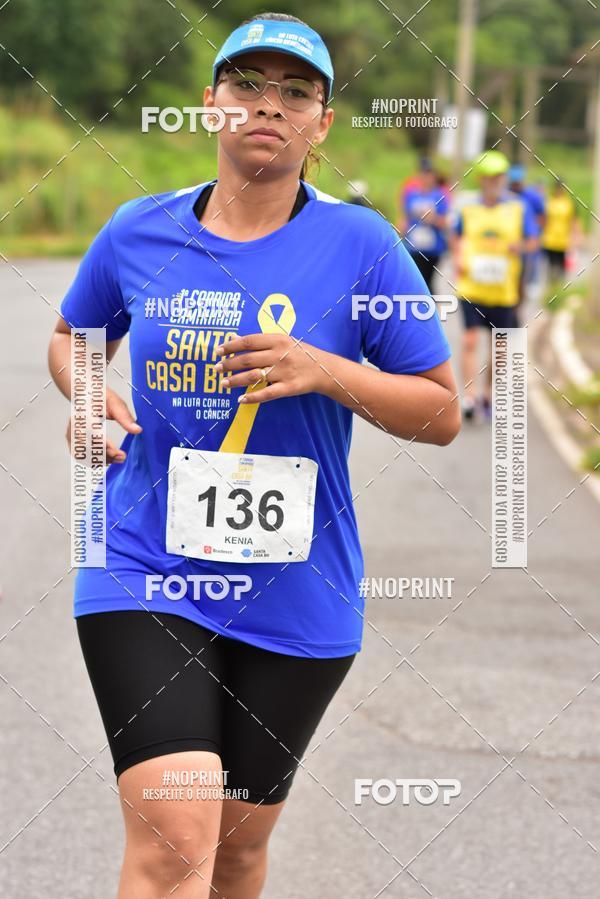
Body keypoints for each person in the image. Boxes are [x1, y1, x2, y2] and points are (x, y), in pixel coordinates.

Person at [48, 12, 461, 898]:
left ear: (322, 122)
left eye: (295, 91)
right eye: (247, 85)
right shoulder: (137, 230)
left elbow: (439, 412)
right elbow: (72, 339)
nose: (268, 105)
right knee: (175, 835)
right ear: (211, 107)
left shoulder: (365, 247)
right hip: (143, 564)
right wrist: (86, 393)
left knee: (234, 851)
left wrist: (324, 369)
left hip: (297, 586)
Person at [450, 150, 538, 422]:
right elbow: (456, 235)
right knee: (469, 339)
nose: (492, 183)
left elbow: (534, 241)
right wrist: (458, 257)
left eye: (497, 178)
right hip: (472, 287)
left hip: (504, 290)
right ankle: (470, 397)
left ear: (503, 179)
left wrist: (520, 247)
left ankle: (488, 392)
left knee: (498, 347)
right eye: (487, 178)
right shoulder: (468, 207)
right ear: (481, 180)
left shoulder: (518, 208)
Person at [398, 157, 449, 290]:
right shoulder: (411, 195)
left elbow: (445, 222)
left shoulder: (440, 196)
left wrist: (433, 219)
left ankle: (431, 308)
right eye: (423, 173)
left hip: (433, 248)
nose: (425, 177)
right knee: (414, 282)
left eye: (429, 173)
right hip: (413, 247)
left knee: (427, 283)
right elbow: (404, 218)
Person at [541, 179, 581, 281]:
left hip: (563, 240)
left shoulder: (569, 203)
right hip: (550, 240)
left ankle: (559, 287)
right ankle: (552, 286)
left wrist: (577, 237)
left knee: (561, 267)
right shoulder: (549, 202)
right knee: (551, 265)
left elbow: (574, 221)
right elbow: (543, 219)